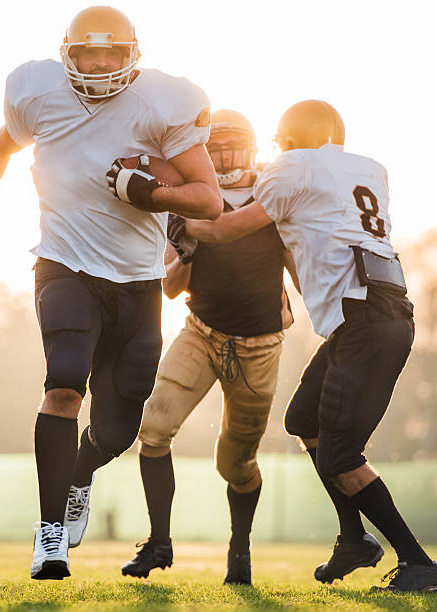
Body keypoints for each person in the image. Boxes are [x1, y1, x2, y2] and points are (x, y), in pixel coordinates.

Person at [0, 5, 222, 581]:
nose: (99, 64)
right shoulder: (36, 92)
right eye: (87, 54)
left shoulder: (163, 101)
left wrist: (152, 195)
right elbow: (0, 149)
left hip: (137, 281)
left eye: (110, 54)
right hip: (64, 265)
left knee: (118, 430)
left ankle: (80, 475)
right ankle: (50, 536)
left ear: (132, 58)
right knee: (64, 384)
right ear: (67, 55)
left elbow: (209, 199)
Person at [156, 100, 437, 593]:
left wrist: (185, 226)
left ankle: (417, 562)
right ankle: (353, 538)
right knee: (303, 422)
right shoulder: (369, 169)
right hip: (374, 313)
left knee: (339, 455)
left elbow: (229, 228)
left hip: (365, 321)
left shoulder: (291, 167)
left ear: (286, 142)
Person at [118, 110, 297, 585]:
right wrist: (188, 257)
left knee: (234, 464)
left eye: (229, 148)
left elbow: (298, 264)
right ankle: (159, 542)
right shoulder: (189, 201)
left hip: (259, 345)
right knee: (153, 428)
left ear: (253, 150)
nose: (221, 158)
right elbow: (172, 287)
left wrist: (330, 315)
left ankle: (240, 549)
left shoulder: (274, 194)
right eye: (212, 150)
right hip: (201, 330)